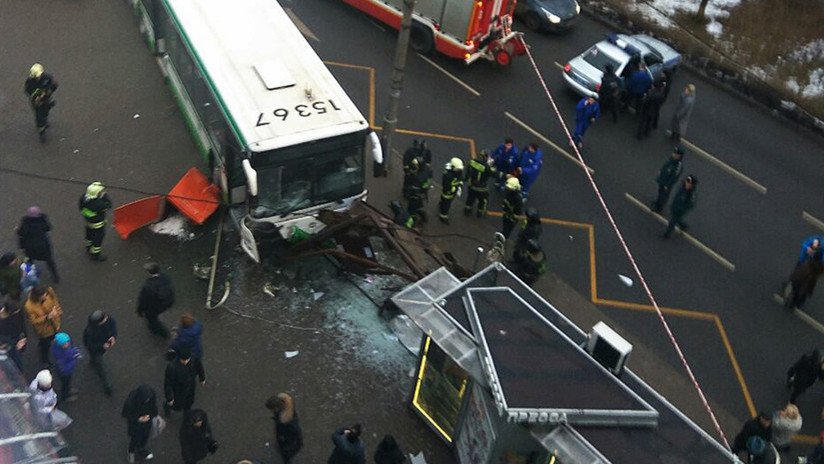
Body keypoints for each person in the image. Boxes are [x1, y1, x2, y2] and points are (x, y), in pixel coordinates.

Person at [17, 206, 59, 283]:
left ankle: (30, 276)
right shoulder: (42, 221)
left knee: (28, 262)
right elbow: (48, 228)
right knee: (50, 261)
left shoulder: (25, 223)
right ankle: (55, 276)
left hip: (30, 248)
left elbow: (20, 232)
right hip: (43, 247)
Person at [24, 285, 62, 367]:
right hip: (44, 330)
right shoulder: (29, 306)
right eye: (43, 296)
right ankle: (44, 359)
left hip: (54, 323)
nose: (45, 296)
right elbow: (33, 321)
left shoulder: (49, 291)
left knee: (54, 337)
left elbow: (55, 300)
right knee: (45, 344)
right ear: (37, 296)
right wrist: (47, 317)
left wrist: (57, 310)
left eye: (45, 294)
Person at [83, 310, 117, 396]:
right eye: (104, 318)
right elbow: (89, 345)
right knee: (102, 369)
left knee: (97, 362)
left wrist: (113, 336)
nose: (107, 318)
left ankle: (92, 362)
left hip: (102, 347)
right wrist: (102, 346)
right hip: (96, 351)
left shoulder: (108, 319)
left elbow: (113, 326)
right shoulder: (90, 332)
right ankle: (107, 387)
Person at [137, 262, 175, 339]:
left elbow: (143, 300)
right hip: (166, 303)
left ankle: (163, 333)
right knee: (153, 318)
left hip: (153, 307)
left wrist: (140, 310)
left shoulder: (148, 285)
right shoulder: (165, 277)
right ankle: (155, 329)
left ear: (149, 272)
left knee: (152, 319)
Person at [164, 346, 206, 416]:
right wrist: (169, 397)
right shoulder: (172, 367)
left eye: (187, 359)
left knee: (189, 402)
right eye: (183, 360)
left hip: (190, 386)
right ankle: (168, 406)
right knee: (177, 405)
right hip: (178, 389)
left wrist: (202, 378)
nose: (186, 361)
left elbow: (199, 367)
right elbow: (168, 383)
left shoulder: (193, 358)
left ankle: (187, 412)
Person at [122, 384, 158, 462]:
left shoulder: (151, 395)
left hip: (147, 421)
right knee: (135, 438)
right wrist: (138, 419)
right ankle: (131, 451)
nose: (148, 400)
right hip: (135, 425)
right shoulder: (130, 402)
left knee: (145, 435)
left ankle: (141, 448)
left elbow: (153, 406)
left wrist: (155, 415)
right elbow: (126, 414)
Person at [78, 181, 113, 261]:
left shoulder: (83, 198)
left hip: (88, 221)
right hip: (98, 224)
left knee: (89, 234)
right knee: (98, 238)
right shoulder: (99, 203)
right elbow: (109, 205)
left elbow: (81, 208)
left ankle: (88, 246)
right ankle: (95, 254)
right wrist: (105, 196)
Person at [265, 393, 303, 464]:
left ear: (276, 408)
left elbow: (295, 434)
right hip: (288, 440)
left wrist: (286, 446)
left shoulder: (287, 423)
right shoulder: (288, 407)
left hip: (289, 444)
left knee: (286, 457)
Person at [24, 63, 58, 142]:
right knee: (39, 116)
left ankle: (45, 119)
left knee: (46, 110)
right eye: (35, 76)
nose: (37, 77)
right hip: (36, 101)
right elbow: (27, 90)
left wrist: (48, 92)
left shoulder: (47, 78)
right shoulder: (30, 81)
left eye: (38, 75)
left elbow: (54, 85)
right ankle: (42, 132)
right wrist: (35, 97)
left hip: (46, 98)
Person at [650, 146, 684, 213]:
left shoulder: (678, 165)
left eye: (676, 154)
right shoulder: (671, 160)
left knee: (664, 196)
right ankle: (657, 202)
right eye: (674, 153)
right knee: (660, 192)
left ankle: (659, 207)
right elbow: (665, 166)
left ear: (679, 156)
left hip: (667, 184)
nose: (674, 154)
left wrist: (668, 185)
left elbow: (674, 177)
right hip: (662, 180)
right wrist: (660, 172)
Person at [464, 149, 496, 217]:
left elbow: (467, 171)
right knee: (483, 201)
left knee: (470, 199)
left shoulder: (472, 162)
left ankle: (467, 210)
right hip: (482, 188)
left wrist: (466, 179)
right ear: (485, 157)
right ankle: (480, 213)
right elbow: (494, 173)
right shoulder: (486, 167)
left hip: (472, 185)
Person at [51, 332, 81, 403]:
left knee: (68, 382)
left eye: (68, 342)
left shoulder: (62, 348)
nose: (68, 344)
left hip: (67, 372)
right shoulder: (59, 355)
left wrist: (74, 352)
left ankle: (68, 390)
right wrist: (74, 360)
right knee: (65, 384)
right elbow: (64, 368)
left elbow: (70, 351)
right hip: (64, 373)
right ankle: (65, 396)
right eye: (65, 343)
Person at [0, 297, 27, 371]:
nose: (17, 313)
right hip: (7, 341)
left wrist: (23, 337)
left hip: (17, 338)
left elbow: (22, 325)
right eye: (15, 312)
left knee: (18, 356)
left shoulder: (17, 311)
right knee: (14, 358)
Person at [402, 157, 432, 223]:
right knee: (419, 206)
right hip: (422, 193)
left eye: (415, 165)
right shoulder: (428, 169)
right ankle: (423, 216)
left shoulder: (418, 177)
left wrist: (408, 193)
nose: (414, 166)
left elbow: (412, 186)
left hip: (416, 195)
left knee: (411, 209)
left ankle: (412, 219)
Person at [437, 158, 464, 224]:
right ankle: (443, 216)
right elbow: (447, 187)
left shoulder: (458, 171)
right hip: (447, 193)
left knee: (446, 202)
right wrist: (456, 188)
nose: (459, 170)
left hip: (453, 192)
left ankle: (441, 204)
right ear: (453, 167)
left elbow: (461, 178)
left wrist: (460, 185)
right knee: (446, 205)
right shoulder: (447, 175)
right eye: (458, 169)